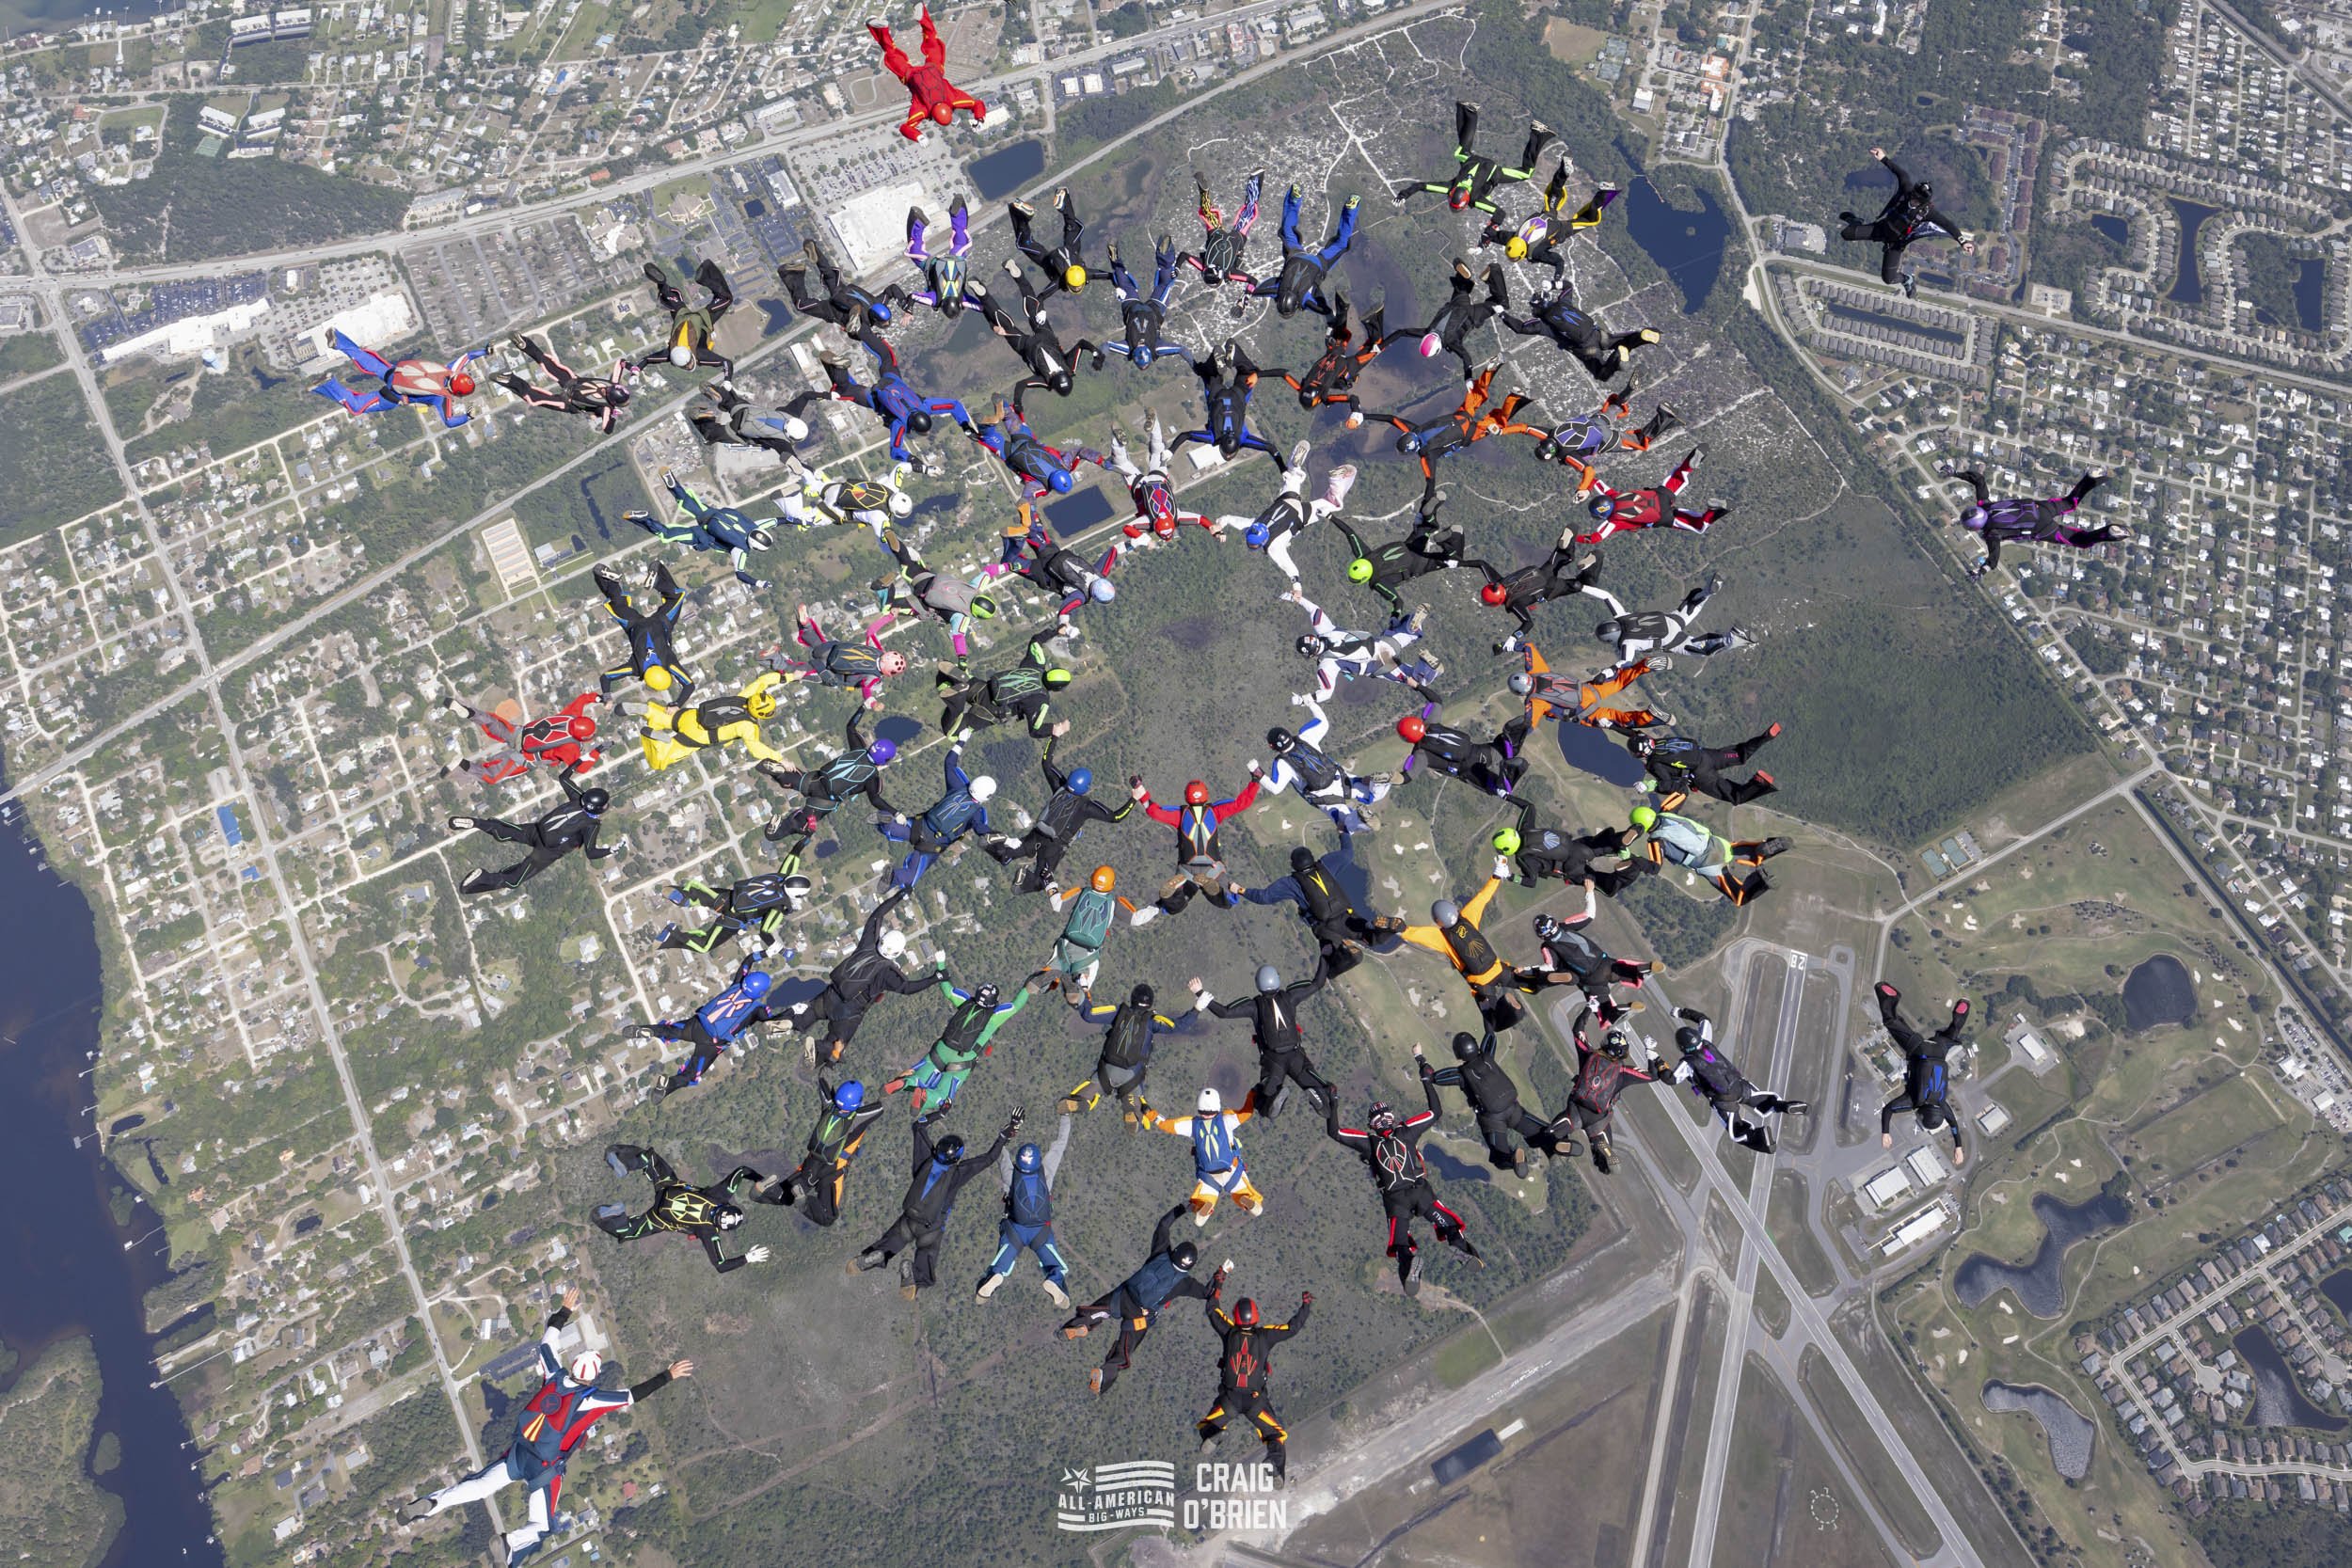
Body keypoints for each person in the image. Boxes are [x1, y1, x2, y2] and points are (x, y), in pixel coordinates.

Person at [398, 1287, 688, 1565]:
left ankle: (431, 1504)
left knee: (478, 1487)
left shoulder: (554, 1374)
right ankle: (510, 1543)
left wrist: (565, 1310)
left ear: (573, 1366)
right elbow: (633, 1395)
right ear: (594, 1376)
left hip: (519, 1452)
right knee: (541, 1526)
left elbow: (548, 1340)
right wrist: (668, 1375)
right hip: (545, 1467)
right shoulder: (591, 1398)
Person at [1326, 1082, 1481, 1295]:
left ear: (1372, 1125)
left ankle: (1409, 1266)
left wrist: (1333, 1102)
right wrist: (1426, 1079)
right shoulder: (1406, 1131)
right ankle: (1462, 1250)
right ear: (1392, 1118)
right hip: (1420, 1191)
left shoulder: (1368, 1143)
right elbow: (1436, 1111)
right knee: (1449, 1226)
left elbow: (1335, 1132)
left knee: (1400, 1246)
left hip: (1395, 1200)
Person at [853, 1106, 1019, 1298]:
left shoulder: (925, 1158)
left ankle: (875, 1257)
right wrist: (1004, 1135)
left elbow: (918, 1126)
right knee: (927, 1256)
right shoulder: (956, 1173)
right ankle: (915, 1278)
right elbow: (988, 1158)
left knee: (891, 1242)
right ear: (957, 1157)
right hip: (931, 1226)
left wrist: (939, 1114)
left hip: (908, 1218)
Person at [1061, 1201, 1218, 1394]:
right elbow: (1208, 1293)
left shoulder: (1161, 1252)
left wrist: (1185, 1208)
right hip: (1140, 1317)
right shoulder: (1185, 1283)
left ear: (1176, 1251)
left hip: (1123, 1295)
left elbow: (1164, 1225)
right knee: (1123, 1352)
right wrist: (1220, 1277)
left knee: (1098, 1311)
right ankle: (1103, 1376)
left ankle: (1079, 1325)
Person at [781, 886, 930, 1065]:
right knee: (838, 1042)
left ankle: (790, 1022)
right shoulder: (888, 972)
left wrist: (898, 896)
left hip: (831, 994)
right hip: (849, 1012)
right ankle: (821, 1052)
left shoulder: (868, 944)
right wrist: (937, 977)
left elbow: (877, 916)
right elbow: (908, 988)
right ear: (897, 952)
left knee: (811, 1012)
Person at [984, 727, 1140, 894]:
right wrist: (1134, 799)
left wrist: (1055, 735)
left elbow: (1046, 763)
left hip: (1038, 833)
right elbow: (1116, 817)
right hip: (1054, 845)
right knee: (1041, 880)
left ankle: (997, 843)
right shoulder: (1086, 806)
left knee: (1011, 853)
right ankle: (1020, 882)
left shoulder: (1060, 787)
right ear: (1086, 787)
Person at [1371, 363, 1545, 504]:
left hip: (1469, 434)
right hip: (1460, 416)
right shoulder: (1414, 429)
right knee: (1477, 395)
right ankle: (1490, 370)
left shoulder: (1426, 454)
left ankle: (1514, 397)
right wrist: (1363, 416)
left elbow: (1430, 481)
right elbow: (1391, 419)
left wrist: (1427, 502)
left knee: (1498, 423)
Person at [1196, 1274, 1311, 1482]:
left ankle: (1212, 1433)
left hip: (1229, 1399)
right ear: (1256, 1316)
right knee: (1276, 1435)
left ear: (1235, 1316)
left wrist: (1219, 1282)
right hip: (1255, 1401)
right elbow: (1292, 1328)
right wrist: (1306, 1306)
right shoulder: (1265, 1335)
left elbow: (1212, 1309)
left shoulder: (1228, 1332)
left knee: (1206, 1425)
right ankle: (1273, 1465)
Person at [792, 335, 970, 466]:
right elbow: (895, 451)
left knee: (886, 356)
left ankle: (864, 333)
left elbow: (954, 405)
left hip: (892, 380)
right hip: (873, 397)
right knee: (845, 389)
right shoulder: (900, 424)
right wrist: (912, 460)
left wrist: (966, 426)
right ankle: (839, 369)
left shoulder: (926, 406)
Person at [591, 1145, 771, 1273]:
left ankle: (621, 1159)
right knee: (627, 1232)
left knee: (650, 1159)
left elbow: (742, 1171)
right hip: (659, 1219)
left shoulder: (720, 1196)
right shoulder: (709, 1232)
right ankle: (613, 1217)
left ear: (727, 1206)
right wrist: (748, 1258)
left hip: (668, 1186)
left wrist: (760, 1181)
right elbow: (721, 1265)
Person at [1240, 837, 1404, 976]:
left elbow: (1263, 897)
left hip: (1325, 927)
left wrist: (1239, 890)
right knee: (1368, 937)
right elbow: (1348, 853)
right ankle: (1381, 930)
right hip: (1348, 916)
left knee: (1330, 955)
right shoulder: (1326, 865)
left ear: (1293, 865)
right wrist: (1343, 831)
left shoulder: (1291, 883)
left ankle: (1351, 957)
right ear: (1312, 859)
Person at [1190, 960, 1333, 1118]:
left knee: (1264, 1103)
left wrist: (1200, 993)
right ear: (1277, 979)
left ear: (1258, 984)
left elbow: (1224, 1012)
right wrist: (1325, 956)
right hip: (1296, 1055)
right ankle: (1320, 1093)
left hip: (1273, 1060)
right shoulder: (1290, 997)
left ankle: (1272, 1098)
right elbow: (1318, 983)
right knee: (1323, 1095)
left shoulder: (1255, 1006)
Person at [882, 966, 1032, 1113]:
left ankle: (905, 1082)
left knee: (920, 1077)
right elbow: (1016, 1005)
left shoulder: (965, 1002)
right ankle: (926, 1096)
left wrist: (941, 964)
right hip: (962, 1059)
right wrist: (1028, 988)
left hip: (941, 1049)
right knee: (943, 1096)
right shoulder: (995, 1015)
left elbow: (947, 989)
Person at [450, 766, 617, 895]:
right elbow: (591, 853)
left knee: (505, 833)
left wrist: (580, 761)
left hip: (537, 830)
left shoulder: (578, 797)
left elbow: (563, 778)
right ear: (598, 809)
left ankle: (477, 823)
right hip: (548, 852)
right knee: (515, 880)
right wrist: (610, 850)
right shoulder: (592, 825)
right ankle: (484, 877)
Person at [1665, 1006, 1809, 1153]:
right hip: (1738, 1084)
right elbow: (1704, 1019)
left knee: (1736, 1131)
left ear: (1682, 1047)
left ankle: (1761, 1138)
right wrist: (1680, 1012)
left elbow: (1670, 1079)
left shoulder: (1688, 1062)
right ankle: (1783, 1105)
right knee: (1761, 1100)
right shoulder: (1705, 1040)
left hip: (1723, 1099)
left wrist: (1656, 1061)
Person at [1131, 770, 1262, 925]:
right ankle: (1213, 889)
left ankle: (1175, 893)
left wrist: (1140, 790)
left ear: (1187, 795)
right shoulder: (1215, 811)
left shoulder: (1180, 814)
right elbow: (1242, 803)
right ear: (1205, 794)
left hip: (1186, 870)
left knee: (1174, 906)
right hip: (1213, 868)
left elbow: (1154, 812)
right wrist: (1255, 781)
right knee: (1228, 901)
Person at [628, 960, 780, 1094]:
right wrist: (784, 1015)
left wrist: (764, 953)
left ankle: (646, 1030)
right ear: (761, 992)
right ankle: (668, 1085)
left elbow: (748, 960)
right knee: (691, 1075)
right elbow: (772, 1021)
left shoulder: (737, 984)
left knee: (671, 1030)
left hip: (698, 1024)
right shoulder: (757, 1009)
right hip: (712, 1043)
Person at [1942, 467, 2120, 578]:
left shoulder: (1992, 534)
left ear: (1976, 527)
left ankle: (2108, 534)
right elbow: (1979, 479)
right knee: (2069, 502)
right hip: (2039, 508)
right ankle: (2089, 479)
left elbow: (1993, 560)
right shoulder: (1984, 505)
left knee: (2081, 540)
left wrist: (1980, 572)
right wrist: (1955, 473)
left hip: (2041, 528)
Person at [1548, 1009, 1667, 1174]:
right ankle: (1600, 1150)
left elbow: (1577, 1031)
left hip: (1575, 1110)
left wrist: (1589, 1008)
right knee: (1606, 1165)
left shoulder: (1589, 1055)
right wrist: (1650, 1052)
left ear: (1605, 1044)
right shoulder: (1623, 1072)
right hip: (1598, 1119)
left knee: (1551, 1135)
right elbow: (1653, 1075)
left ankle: (1561, 1147)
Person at [1838, 147, 1973, 292]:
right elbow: (1900, 173)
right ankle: (1857, 222)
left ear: (1922, 202)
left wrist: (1962, 241)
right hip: (1881, 228)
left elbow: (1947, 224)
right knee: (1846, 234)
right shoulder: (1907, 190)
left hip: (1896, 243)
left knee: (1889, 279)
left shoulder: (1927, 212)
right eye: (1913, 196)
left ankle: (1907, 279)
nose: (1912, 200)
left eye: (1916, 200)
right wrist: (1884, 158)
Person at [1333, 497, 1493, 618]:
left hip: (1419, 564)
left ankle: (1451, 537)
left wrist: (1395, 617)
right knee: (1426, 527)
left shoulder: (1378, 582)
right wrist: (1330, 516)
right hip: (1409, 546)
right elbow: (1349, 533)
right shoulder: (1364, 555)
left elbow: (1397, 602)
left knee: (1455, 559)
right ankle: (1429, 517)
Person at [651, 836, 812, 956]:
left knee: (702, 896)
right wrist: (781, 950)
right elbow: (765, 931)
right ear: (796, 896)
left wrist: (802, 843)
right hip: (734, 919)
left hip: (730, 897)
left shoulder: (781, 877)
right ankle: (673, 934)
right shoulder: (779, 907)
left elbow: (793, 857)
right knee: (705, 945)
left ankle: (686, 895)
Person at [1421, 1033, 1556, 1175]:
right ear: (1475, 1045)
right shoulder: (1487, 1057)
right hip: (1513, 1109)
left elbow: (1435, 1078)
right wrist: (1488, 1022)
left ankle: (1511, 1159)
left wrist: (1421, 1061)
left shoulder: (1462, 1075)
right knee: (1541, 1133)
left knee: (1499, 1157)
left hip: (1492, 1120)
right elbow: (1491, 1036)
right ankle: (1556, 1142)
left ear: (1458, 1053)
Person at [755, 712, 902, 841]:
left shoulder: (859, 749)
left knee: (792, 778)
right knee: (798, 825)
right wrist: (896, 813)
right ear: (885, 760)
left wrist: (864, 706)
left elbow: (850, 727)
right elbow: (875, 800)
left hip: (816, 779)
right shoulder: (873, 777)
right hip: (825, 800)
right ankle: (774, 832)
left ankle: (781, 773)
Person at [1218, 444, 1356, 582]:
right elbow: (1230, 519)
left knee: (1331, 504)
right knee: (1292, 478)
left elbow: (1288, 566)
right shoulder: (1252, 525)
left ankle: (1336, 480)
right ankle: (1295, 467)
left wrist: (1296, 584)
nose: (1252, 546)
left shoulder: (1273, 547)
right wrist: (1219, 525)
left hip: (1301, 515)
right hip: (1285, 501)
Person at [1392, 102, 1556, 215]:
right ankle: (1467, 111)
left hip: (1492, 170)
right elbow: (1421, 186)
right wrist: (1403, 195)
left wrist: (1490, 232)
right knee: (1462, 150)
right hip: (1471, 161)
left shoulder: (1476, 200)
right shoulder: (1449, 188)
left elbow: (1499, 213)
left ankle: (1538, 133)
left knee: (1526, 173)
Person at [625, 469, 780, 589]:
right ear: (755, 547)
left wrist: (793, 520)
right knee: (667, 534)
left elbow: (776, 521)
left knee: (686, 500)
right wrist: (759, 583)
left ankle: (672, 483)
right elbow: (740, 574)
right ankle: (645, 518)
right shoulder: (741, 551)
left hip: (710, 514)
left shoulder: (756, 526)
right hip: (702, 536)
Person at [1626, 793, 1791, 906]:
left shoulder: (1655, 842)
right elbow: (1682, 792)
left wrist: (1632, 858)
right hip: (1713, 843)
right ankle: (1759, 848)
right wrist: (1656, 785)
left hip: (1707, 864)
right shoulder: (1666, 811)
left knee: (1738, 897)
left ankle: (1760, 882)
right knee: (1734, 850)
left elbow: (1654, 868)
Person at [1262, 697, 1393, 836]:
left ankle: (1358, 819)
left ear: (1272, 746)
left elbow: (1275, 788)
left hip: (1321, 795)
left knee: (1344, 822)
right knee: (1369, 794)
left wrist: (1258, 774)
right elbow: (1322, 721)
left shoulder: (1281, 763)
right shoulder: (1305, 737)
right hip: (1338, 777)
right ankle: (1379, 785)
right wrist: (1308, 702)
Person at [1396, 875, 1519, 1022]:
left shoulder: (1441, 937)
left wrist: (1399, 929)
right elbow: (1483, 897)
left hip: (1480, 984)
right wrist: (1496, 877)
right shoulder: (1467, 917)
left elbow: (1416, 934)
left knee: (1493, 1023)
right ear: (1454, 909)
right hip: (1497, 968)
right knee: (1528, 982)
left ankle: (1505, 1009)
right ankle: (1532, 988)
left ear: (1438, 921)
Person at [876, 736, 995, 890]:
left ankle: (886, 822)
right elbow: (982, 830)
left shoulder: (958, 786)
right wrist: (1002, 839)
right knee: (910, 877)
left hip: (919, 824)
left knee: (891, 829)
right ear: (987, 796)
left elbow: (949, 762)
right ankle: (893, 878)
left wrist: (962, 741)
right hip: (932, 845)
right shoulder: (978, 813)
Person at [763, 1076, 884, 1226]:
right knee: (828, 1217)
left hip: (812, 1161)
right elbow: (880, 1108)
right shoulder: (857, 1118)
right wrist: (887, 1091)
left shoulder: (828, 1106)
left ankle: (763, 1192)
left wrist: (825, 1069)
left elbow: (822, 1083)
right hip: (834, 1168)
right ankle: (804, 1204)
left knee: (789, 1193)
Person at [1285, 587, 1441, 702]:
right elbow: (1315, 611)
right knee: (1402, 634)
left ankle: (1426, 669)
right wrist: (1299, 599)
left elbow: (1326, 693)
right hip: (1379, 643)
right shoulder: (1325, 631)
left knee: (1413, 679)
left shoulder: (1326, 664)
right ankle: (1412, 628)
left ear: (1311, 654)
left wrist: (1303, 700)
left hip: (1376, 665)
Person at [873, 528, 999, 663]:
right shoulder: (961, 617)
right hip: (921, 604)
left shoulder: (974, 588)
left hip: (927, 579)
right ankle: (883, 588)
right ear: (978, 614)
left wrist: (1011, 566)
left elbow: (989, 571)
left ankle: (896, 541)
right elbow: (958, 637)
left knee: (905, 560)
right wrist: (962, 658)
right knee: (888, 609)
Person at [1501, 277, 1659, 384]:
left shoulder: (1544, 324)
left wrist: (1502, 314)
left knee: (1602, 374)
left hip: (1586, 349)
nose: (1532, 311)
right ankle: (1641, 336)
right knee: (1622, 341)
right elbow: (1568, 286)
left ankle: (1617, 358)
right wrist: (1553, 284)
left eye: (1533, 308)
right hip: (1598, 334)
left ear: (1538, 308)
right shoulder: (1564, 303)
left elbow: (1520, 328)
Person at [1876, 982, 1969, 1161]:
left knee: (1952, 1034)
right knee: (1890, 1021)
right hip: (1918, 1050)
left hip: (1940, 1051)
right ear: (1920, 1114)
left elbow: (1953, 1124)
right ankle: (1889, 998)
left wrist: (1958, 1147)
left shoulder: (1942, 1105)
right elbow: (1888, 1110)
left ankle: (1963, 1010)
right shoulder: (1913, 1101)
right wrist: (1885, 1132)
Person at [1477, 531, 1612, 655]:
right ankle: (1570, 542)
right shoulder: (1499, 582)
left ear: (1498, 600)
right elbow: (1481, 563)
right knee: (1560, 558)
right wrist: (1463, 563)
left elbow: (1528, 623)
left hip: (1549, 589)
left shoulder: (1514, 604)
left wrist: (1513, 638)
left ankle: (1596, 558)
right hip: (1542, 573)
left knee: (1580, 585)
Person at [1146, 1085, 1265, 1225]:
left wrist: (1150, 1114)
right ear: (1217, 1105)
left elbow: (1168, 1125)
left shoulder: (1192, 1124)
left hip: (1209, 1176)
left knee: (1203, 1199)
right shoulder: (1226, 1119)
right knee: (1243, 1192)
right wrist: (1252, 1094)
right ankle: (1247, 1199)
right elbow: (1246, 1113)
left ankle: (1203, 1207)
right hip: (1232, 1170)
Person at [1527, 887, 1656, 1014]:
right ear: (1554, 922)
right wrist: (1589, 891)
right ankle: (1638, 971)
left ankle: (1614, 1013)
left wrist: (1526, 969)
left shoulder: (1547, 946)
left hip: (1591, 977)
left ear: (1541, 935)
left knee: (1601, 1004)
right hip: (1604, 962)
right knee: (1619, 970)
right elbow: (1590, 914)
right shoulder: (1566, 926)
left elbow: (1549, 967)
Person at [1063, 982, 1179, 1124]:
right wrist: (1197, 1008)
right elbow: (1178, 1026)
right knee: (1136, 1107)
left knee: (1091, 1090)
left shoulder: (1119, 1013)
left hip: (1106, 1070)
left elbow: (1090, 1014)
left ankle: (1082, 1100)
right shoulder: (1152, 1021)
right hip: (1131, 1077)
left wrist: (1081, 999)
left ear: (1133, 998)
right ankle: (1134, 1114)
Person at [315, 330, 484, 427]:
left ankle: (339, 340)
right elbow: (449, 422)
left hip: (395, 373)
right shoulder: (442, 398)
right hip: (393, 396)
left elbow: (468, 356)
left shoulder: (450, 371)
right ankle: (329, 384)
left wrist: (486, 351)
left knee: (367, 360)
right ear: (458, 393)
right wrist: (468, 417)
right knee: (357, 406)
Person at [1588, 574, 1756, 670]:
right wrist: (1581, 587)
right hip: (1671, 619)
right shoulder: (1621, 616)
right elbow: (1606, 596)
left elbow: (1625, 663)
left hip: (1672, 640)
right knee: (1691, 605)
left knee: (1702, 650)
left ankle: (1733, 638)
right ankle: (1707, 592)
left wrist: (1606, 674)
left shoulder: (1627, 643)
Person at [935, 619, 1071, 737]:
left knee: (944, 677)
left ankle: (962, 682)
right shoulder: (1041, 701)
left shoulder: (1036, 664)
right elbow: (1035, 730)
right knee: (951, 732)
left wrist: (1056, 632)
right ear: (1057, 688)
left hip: (985, 688)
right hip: (991, 711)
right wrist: (1055, 729)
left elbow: (1036, 641)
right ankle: (956, 700)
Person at [1273, 294, 1393, 428]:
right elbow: (1283, 374)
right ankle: (1342, 306)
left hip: (1348, 367)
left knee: (1375, 346)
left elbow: (1351, 398)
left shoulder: (1325, 396)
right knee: (1341, 335)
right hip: (1332, 354)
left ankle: (1369, 320)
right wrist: (1258, 373)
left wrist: (1355, 412)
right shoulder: (1303, 386)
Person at [868, 7, 987, 140]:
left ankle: (921, 15)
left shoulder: (953, 100)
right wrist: (919, 137)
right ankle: (880, 29)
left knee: (932, 39)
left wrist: (980, 118)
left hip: (933, 69)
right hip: (911, 76)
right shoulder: (923, 110)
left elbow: (976, 103)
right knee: (891, 53)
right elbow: (906, 127)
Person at [977, 1137, 1071, 1306]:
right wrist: (1066, 1121)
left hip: (1015, 1229)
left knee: (1001, 1263)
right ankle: (1055, 1280)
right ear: (1038, 1161)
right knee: (1056, 1266)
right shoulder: (1046, 1173)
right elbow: (1060, 1146)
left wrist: (1003, 1136)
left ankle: (995, 1275)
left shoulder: (1011, 1175)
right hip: (1041, 1231)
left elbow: (1000, 1154)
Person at [1533, 380, 1680, 485]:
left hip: (1605, 440)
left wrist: (1583, 489)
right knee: (1615, 407)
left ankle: (1664, 416)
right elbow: (1524, 427)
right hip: (1595, 422)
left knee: (1638, 441)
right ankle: (1628, 391)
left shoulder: (1568, 455)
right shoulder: (1549, 433)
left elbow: (1589, 471)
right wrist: (1512, 427)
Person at [1082, 232, 1195, 370]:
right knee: (1125, 284)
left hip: (1154, 309)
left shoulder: (1156, 348)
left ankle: (1164, 257)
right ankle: (1116, 263)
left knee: (1165, 283)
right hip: (1132, 308)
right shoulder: (1129, 348)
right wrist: (1100, 359)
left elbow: (1181, 349)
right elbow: (1107, 345)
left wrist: (1195, 366)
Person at [977, 263, 1084, 404]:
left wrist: (1097, 354)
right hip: (1026, 348)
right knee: (1005, 326)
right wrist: (1017, 403)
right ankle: (983, 295)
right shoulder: (1046, 381)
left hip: (1045, 338)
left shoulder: (1069, 369)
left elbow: (1082, 344)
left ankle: (1018, 276)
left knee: (1033, 309)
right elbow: (1021, 385)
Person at [446, 689, 603, 785]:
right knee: (492, 776)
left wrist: (600, 698)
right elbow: (581, 768)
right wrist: (597, 751)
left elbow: (583, 699)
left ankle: (469, 712)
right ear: (582, 738)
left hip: (519, 733)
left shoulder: (571, 715)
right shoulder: (570, 747)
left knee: (492, 723)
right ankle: (462, 764)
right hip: (524, 757)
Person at [1479, 166, 1618, 275]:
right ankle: (1563, 172)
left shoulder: (1536, 253)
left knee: (1587, 220)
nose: (1513, 260)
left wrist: (1557, 278)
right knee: (1553, 195)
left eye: (1514, 258)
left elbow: (1558, 261)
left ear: (1521, 253)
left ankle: (1605, 192)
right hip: (1545, 217)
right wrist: (1482, 242)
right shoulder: (1512, 238)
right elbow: (1494, 235)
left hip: (1560, 230)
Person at [1170, 341, 1287, 469]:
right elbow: (1186, 435)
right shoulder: (1213, 438)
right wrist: (1170, 451)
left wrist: (1283, 469)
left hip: (1239, 395)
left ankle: (1234, 355)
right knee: (1205, 372)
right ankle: (1215, 364)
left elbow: (1270, 448)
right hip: (1216, 394)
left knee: (1249, 371)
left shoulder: (1243, 439)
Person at [1247, 184, 1359, 318]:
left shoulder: (1304, 299)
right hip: (1295, 255)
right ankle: (1294, 199)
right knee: (1288, 231)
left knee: (1341, 244)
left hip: (1318, 263)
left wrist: (1334, 317)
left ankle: (1350, 209)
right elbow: (1258, 290)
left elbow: (1321, 308)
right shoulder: (1276, 291)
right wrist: (1246, 298)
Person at [638, 670, 787, 770]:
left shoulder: (744, 697)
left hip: (691, 716)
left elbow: (762, 681)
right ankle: (662, 744)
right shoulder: (749, 728)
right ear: (762, 714)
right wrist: (780, 759)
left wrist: (790, 677)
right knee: (661, 760)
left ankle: (651, 712)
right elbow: (756, 750)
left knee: (666, 719)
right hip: (699, 736)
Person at [771, 603, 908, 710]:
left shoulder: (877, 650)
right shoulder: (874, 676)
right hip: (827, 671)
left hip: (830, 649)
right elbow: (866, 691)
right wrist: (873, 704)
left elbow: (871, 631)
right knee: (796, 673)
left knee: (815, 640)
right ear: (888, 672)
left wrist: (890, 617)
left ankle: (806, 624)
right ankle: (775, 659)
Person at [965, 395, 1103, 502]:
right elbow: (1026, 499)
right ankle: (988, 425)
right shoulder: (1040, 486)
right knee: (988, 437)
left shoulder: (1065, 464)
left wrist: (1101, 460)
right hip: (1011, 455)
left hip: (1026, 440)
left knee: (1009, 415)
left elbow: (1080, 451)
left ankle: (1002, 406)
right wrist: (1029, 518)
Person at [1003, 508, 1120, 634]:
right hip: (1043, 574)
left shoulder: (1100, 573)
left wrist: (1134, 541)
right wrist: (1064, 626)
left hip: (1053, 553)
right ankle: (1018, 540)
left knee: (1034, 532)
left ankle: (1029, 512)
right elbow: (1065, 611)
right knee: (1009, 562)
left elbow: (1113, 552)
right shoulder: (1081, 596)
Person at [1576, 448, 1728, 543]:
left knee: (1698, 526)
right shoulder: (1613, 495)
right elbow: (1595, 480)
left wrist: (1574, 538)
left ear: (1603, 513)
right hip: (1660, 495)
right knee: (1677, 477)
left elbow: (1594, 538)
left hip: (1663, 516)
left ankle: (1713, 511)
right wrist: (1585, 488)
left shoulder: (1614, 522)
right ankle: (1688, 466)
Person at [1497, 802, 1653, 895]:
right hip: (1577, 847)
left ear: (1508, 849)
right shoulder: (1525, 830)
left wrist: (1509, 876)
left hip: (1570, 868)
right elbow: (1528, 806)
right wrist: (1504, 795)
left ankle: (1627, 871)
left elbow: (1531, 882)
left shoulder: (1524, 858)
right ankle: (1627, 836)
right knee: (1604, 844)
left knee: (1605, 886)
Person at [1106, 413, 1215, 546]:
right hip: (1140, 486)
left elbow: (1201, 519)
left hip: (1160, 479)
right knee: (1121, 463)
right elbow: (1127, 528)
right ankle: (1117, 442)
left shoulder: (1178, 517)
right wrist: (1146, 540)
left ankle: (1155, 426)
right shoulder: (1149, 521)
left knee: (1157, 451)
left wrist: (1212, 527)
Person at [595, 561, 693, 701]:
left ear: (665, 673)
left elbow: (689, 685)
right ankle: (610, 580)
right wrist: (607, 697)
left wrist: (677, 704)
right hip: (634, 625)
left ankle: (657, 580)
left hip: (661, 622)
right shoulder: (636, 668)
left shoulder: (668, 663)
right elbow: (606, 677)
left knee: (675, 597)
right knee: (617, 603)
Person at [1507, 643, 1663, 733]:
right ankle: (1645, 665)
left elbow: (1529, 726)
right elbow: (1529, 647)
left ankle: (1650, 717)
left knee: (1620, 720)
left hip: (1585, 711)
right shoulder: (1537, 671)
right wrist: (1508, 646)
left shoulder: (1535, 702)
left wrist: (1511, 736)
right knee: (1620, 680)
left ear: (1520, 692)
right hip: (1588, 689)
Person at [1399, 260, 1514, 380]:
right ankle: (1458, 267)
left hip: (1472, 316)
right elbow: (1402, 332)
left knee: (1501, 303)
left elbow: (1466, 358)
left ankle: (1493, 270)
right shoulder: (1427, 331)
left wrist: (1468, 378)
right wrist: (1384, 345)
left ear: (1437, 349)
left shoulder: (1451, 343)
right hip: (1456, 305)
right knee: (1462, 284)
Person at [495, 332, 630, 433]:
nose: (606, 389)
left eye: (608, 391)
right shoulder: (607, 407)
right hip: (569, 399)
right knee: (536, 396)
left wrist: (630, 367)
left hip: (572, 385)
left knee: (548, 366)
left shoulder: (612, 388)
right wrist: (613, 416)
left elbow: (620, 363)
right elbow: (607, 429)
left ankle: (525, 346)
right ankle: (511, 379)